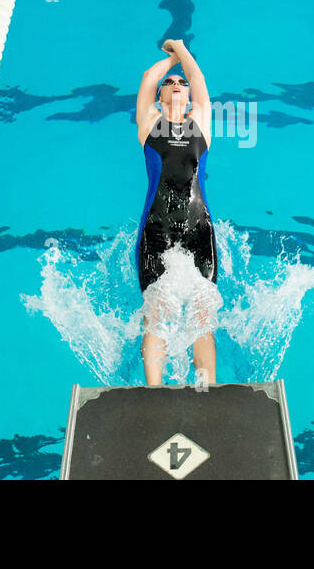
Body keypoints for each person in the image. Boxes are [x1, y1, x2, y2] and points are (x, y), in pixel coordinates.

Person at [134, 39, 220, 386]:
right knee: (158, 313)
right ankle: (153, 393)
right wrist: (171, 59)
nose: (177, 84)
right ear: (160, 95)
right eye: (170, 83)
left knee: (202, 315)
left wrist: (182, 52)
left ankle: (207, 391)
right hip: (155, 228)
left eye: (180, 82)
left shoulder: (200, 122)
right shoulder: (150, 123)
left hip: (200, 230)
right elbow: (146, 78)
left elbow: (198, 81)